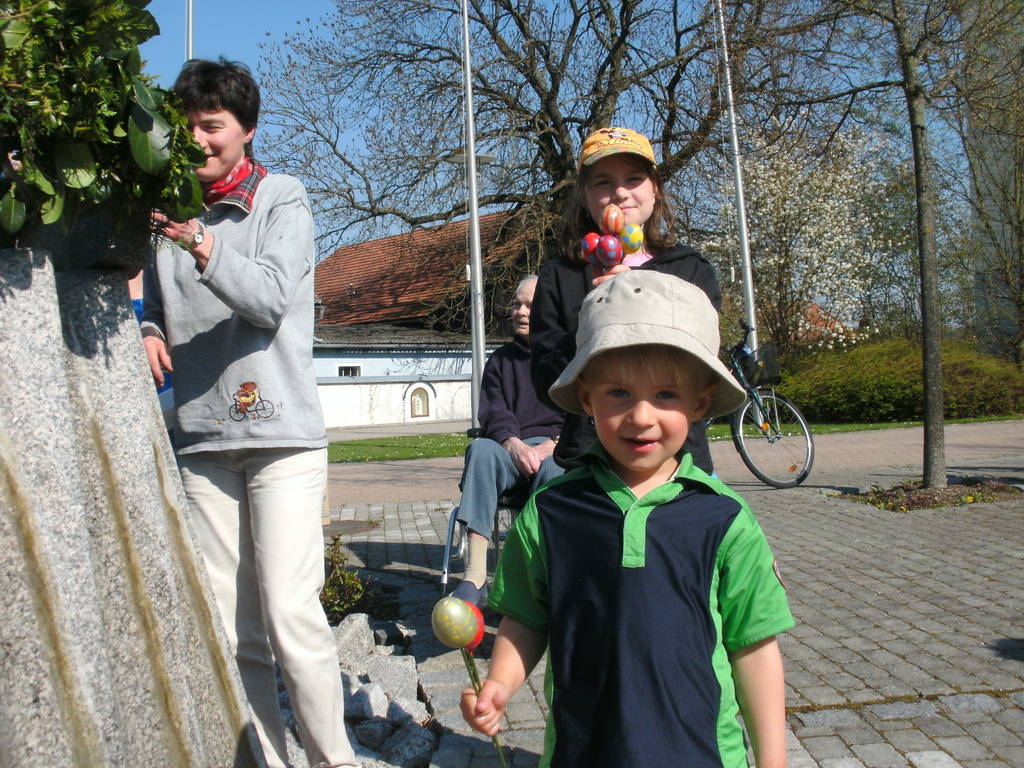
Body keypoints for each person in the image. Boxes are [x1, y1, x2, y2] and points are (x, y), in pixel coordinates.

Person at [461, 271, 794, 768]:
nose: (641, 416)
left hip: (701, 754)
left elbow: (753, 647)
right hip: (582, 752)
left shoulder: (723, 517)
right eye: (618, 393)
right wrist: (499, 686)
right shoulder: (552, 510)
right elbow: (527, 618)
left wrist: (773, 761)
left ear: (699, 403)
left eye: (665, 395)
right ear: (588, 398)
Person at [141, 59, 357, 768]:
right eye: (190, 126)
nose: (200, 140)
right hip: (203, 441)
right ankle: (263, 760)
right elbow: (139, 291)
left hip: (283, 438)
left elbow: (266, 299)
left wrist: (198, 240)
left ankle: (334, 761)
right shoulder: (164, 209)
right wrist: (145, 327)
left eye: (214, 126)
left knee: (291, 617)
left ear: (246, 131)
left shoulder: (281, 199)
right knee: (236, 633)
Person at [530, 126, 722, 472]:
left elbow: (700, 364)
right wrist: (596, 313)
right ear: (585, 195)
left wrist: (638, 294)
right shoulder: (561, 274)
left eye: (633, 179)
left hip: (678, 463)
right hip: (588, 461)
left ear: (655, 189)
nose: (620, 192)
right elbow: (546, 380)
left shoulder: (691, 270)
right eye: (603, 182)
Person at [451, 275, 564, 607]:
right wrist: (513, 444)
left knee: (557, 469)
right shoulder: (500, 361)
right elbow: (495, 410)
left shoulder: (569, 357)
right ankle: (474, 577)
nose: (520, 311)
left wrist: (552, 445)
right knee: (481, 449)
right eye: (517, 304)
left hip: (557, 448)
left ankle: (537, 577)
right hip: (510, 449)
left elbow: (584, 415)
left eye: (530, 304)